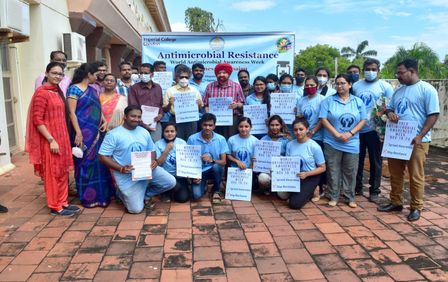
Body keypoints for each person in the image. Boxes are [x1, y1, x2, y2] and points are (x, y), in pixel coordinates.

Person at [378, 59, 439, 222]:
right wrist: (390, 113)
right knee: (395, 173)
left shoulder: (427, 90)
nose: (398, 75)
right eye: (397, 73)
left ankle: (416, 206)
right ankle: (396, 201)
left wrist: (420, 136)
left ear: (412, 71)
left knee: (415, 175)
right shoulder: (398, 91)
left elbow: (433, 115)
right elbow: (389, 108)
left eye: (400, 72)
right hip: (398, 138)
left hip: (417, 141)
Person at [99, 105, 176, 214]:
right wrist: (121, 168)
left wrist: (153, 161)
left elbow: (152, 150)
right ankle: (121, 193)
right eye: (133, 116)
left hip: (146, 172)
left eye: (139, 117)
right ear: (125, 117)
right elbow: (102, 156)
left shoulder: (144, 132)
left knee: (170, 182)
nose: (136, 119)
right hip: (127, 176)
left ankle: (146, 194)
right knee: (135, 210)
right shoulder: (113, 134)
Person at [26, 62, 79, 216]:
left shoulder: (57, 92)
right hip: (50, 140)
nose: (57, 76)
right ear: (47, 74)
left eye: (60, 74)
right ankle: (55, 206)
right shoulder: (42, 92)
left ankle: (63, 202)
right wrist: (51, 140)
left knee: (63, 172)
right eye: (54, 73)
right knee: (53, 173)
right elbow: (37, 120)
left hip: (62, 138)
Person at [67, 63, 114, 208]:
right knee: (84, 163)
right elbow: (71, 113)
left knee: (99, 163)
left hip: (97, 132)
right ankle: (88, 197)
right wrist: (79, 133)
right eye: (95, 74)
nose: (97, 77)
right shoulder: (73, 89)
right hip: (82, 132)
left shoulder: (93, 89)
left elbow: (97, 108)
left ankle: (102, 196)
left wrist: (104, 120)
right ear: (89, 74)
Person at [319, 74, 366, 208]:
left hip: (352, 142)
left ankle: (349, 197)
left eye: (343, 83)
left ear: (350, 85)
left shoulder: (358, 101)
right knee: (333, 170)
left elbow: (363, 120)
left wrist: (350, 133)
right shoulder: (328, 101)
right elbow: (323, 119)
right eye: (337, 83)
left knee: (350, 170)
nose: (339, 86)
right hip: (332, 141)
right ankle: (334, 196)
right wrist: (337, 134)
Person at [352, 58, 393, 202]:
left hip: (376, 131)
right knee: (358, 160)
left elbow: (389, 108)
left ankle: (374, 191)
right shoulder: (356, 86)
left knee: (376, 161)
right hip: (357, 129)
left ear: (378, 70)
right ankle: (356, 187)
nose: (371, 72)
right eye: (368, 69)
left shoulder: (385, 86)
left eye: (374, 69)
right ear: (363, 71)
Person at [285, 118, 326, 209]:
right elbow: (287, 163)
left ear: (307, 129)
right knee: (282, 195)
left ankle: (314, 189)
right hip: (295, 176)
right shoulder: (290, 145)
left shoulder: (314, 146)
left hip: (310, 175)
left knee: (294, 204)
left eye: (301, 129)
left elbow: (323, 168)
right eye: (295, 130)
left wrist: (307, 174)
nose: (298, 132)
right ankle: (306, 191)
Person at [296, 76, 326, 201]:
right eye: (307, 85)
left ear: (317, 86)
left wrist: (312, 131)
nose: (309, 87)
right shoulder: (302, 100)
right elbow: (300, 117)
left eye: (312, 85)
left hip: (318, 135)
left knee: (318, 162)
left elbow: (322, 118)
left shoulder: (323, 100)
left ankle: (319, 188)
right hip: (304, 134)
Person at [187, 113, 229, 202]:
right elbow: (187, 161)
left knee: (217, 167)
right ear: (201, 124)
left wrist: (212, 160)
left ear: (214, 126)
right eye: (205, 125)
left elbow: (223, 162)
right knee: (196, 195)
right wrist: (193, 176)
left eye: (210, 125)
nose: (207, 128)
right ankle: (204, 185)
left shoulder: (221, 139)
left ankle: (216, 190)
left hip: (214, 170)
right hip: (199, 172)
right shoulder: (192, 139)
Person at [203, 63, 245, 138]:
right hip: (214, 120)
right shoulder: (210, 86)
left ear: (229, 74)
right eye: (219, 73)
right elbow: (205, 104)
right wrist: (207, 113)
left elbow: (242, 103)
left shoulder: (236, 86)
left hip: (232, 119)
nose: (222, 75)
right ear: (216, 74)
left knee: (231, 139)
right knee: (215, 139)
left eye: (224, 73)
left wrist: (237, 105)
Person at [163, 64, 203, 140]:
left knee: (191, 140)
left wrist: (199, 105)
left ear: (189, 78)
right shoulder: (170, 90)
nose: (184, 79)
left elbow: (200, 109)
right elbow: (165, 110)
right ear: (177, 77)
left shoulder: (194, 90)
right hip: (175, 120)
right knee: (177, 141)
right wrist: (170, 104)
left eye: (186, 77)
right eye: (181, 77)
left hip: (191, 120)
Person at [155, 122, 190, 203]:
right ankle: (166, 191)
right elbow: (158, 163)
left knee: (182, 199)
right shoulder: (158, 144)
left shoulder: (182, 142)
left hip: (179, 176)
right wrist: (167, 150)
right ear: (163, 133)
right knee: (171, 187)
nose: (169, 134)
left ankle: (175, 189)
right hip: (165, 176)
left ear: (176, 132)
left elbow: (188, 162)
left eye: (172, 131)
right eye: (166, 131)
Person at [128, 63, 164, 141]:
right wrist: (143, 124)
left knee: (155, 149)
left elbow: (160, 105)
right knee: (141, 149)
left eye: (146, 73)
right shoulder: (134, 88)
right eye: (141, 73)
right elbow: (133, 107)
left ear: (152, 74)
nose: (143, 75)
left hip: (155, 124)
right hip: (139, 124)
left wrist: (160, 114)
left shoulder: (158, 87)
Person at [257, 115, 291, 194]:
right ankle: (268, 187)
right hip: (267, 170)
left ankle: (277, 187)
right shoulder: (263, 139)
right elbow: (259, 156)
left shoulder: (286, 140)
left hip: (281, 170)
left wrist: (281, 158)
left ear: (281, 125)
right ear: (268, 126)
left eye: (277, 125)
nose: (274, 127)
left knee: (283, 196)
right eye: (272, 125)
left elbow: (290, 158)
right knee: (262, 178)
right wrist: (257, 159)